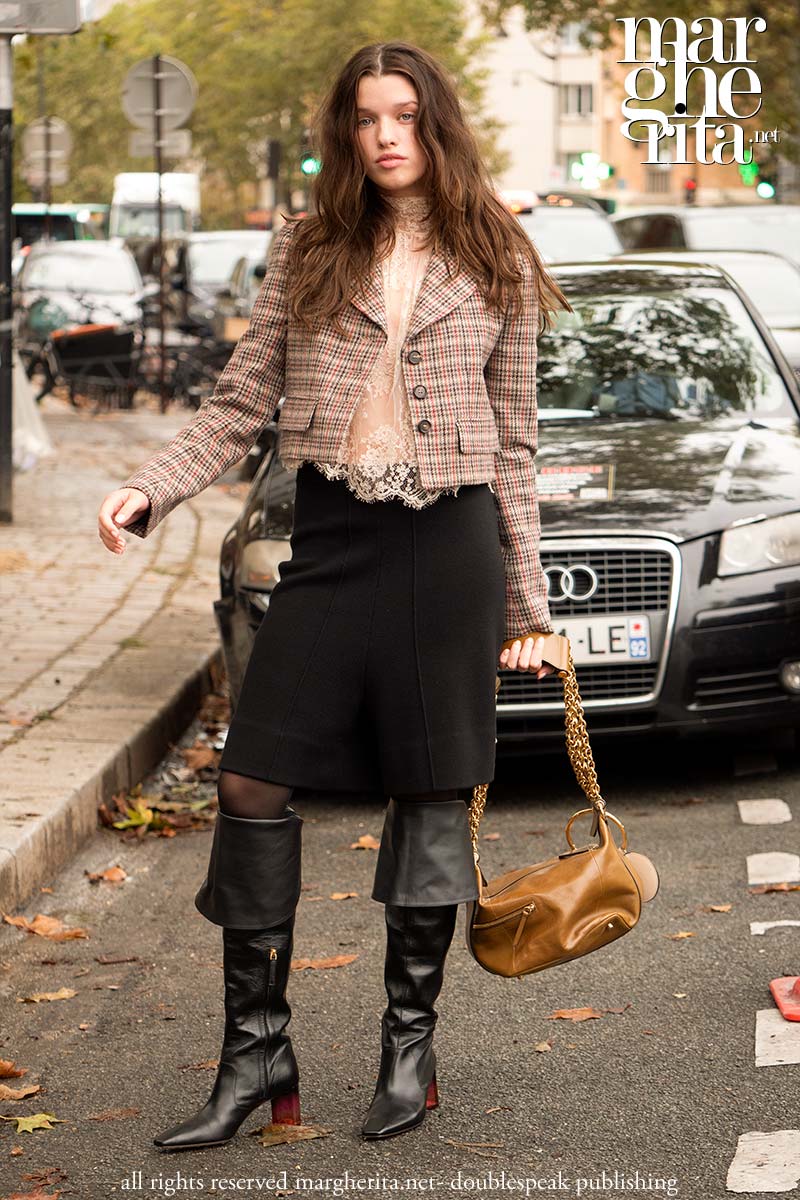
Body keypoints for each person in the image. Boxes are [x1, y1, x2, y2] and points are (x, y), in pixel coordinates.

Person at [97, 41, 571, 1147]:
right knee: (254, 781)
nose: (386, 133)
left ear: (435, 123)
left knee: (427, 789)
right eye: (366, 117)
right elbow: (236, 404)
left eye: (404, 113)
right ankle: (256, 1056)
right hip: (333, 539)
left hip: (449, 548)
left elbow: (515, 449)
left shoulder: (494, 249)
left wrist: (527, 613)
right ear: (344, 134)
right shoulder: (307, 244)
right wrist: (144, 490)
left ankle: (409, 1052)